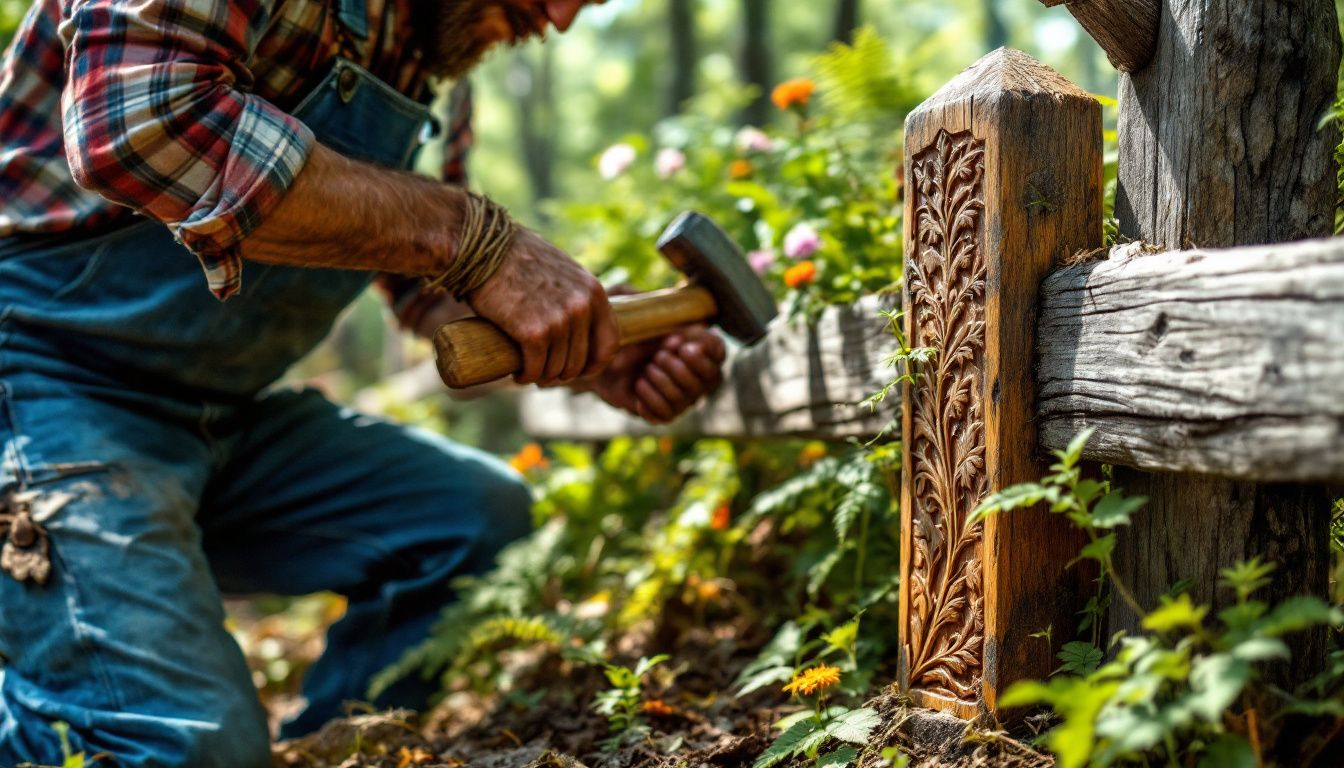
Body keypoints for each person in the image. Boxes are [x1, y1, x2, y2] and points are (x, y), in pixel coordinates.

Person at [0, 0, 728, 764]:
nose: (563, 18)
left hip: (215, 414)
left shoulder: (430, 45)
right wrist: (472, 237)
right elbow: (146, 121)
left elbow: (420, 276)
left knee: (473, 518)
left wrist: (591, 347)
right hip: (37, 385)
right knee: (189, 749)